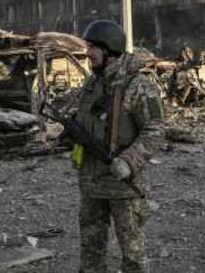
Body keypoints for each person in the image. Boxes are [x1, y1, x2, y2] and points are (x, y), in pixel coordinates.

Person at [70, 20, 164, 273]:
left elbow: (155, 131)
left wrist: (128, 161)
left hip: (123, 187)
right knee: (90, 253)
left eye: (93, 48)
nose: (88, 53)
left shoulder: (138, 85)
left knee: (132, 257)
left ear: (109, 50)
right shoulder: (92, 83)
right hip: (91, 185)